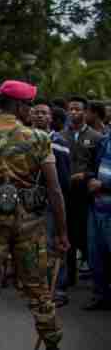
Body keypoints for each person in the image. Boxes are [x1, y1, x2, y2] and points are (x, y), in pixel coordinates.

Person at [0, 80, 70, 350]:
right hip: (28, 224)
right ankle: (52, 343)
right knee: (38, 289)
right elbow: (54, 191)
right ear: (19, 106)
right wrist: (63, 233)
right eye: (29, 106)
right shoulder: (39, 138)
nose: (31, 111)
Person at [31, 101, 71, 308]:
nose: (39, 116)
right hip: (29, 203)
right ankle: (39, 290)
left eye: (43, 113)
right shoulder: (25, 140)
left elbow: (63, 180)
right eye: (35, 112)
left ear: (50, 118)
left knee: (53, 245)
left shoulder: (58, 142)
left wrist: (60, 205)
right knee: (33, 248)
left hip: (50, 202)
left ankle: (58, 289)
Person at [61, 96, 102, 287]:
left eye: (78, 109)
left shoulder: (96, 137)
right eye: (71, 109)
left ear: (85, 112)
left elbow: (100, 167)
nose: (74, 112)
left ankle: (95, 278)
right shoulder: (60, 136)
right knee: (66, 233)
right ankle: (69, 276)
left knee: (87, 235)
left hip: (86, 194)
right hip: (65, 193)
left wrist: (85, 175)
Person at [85, 130, 111, 310]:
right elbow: (92, 165)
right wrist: (90, 178)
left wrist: (105, 184)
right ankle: (101, 295)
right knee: (96, 253)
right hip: (97, 205)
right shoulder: (104, 140)